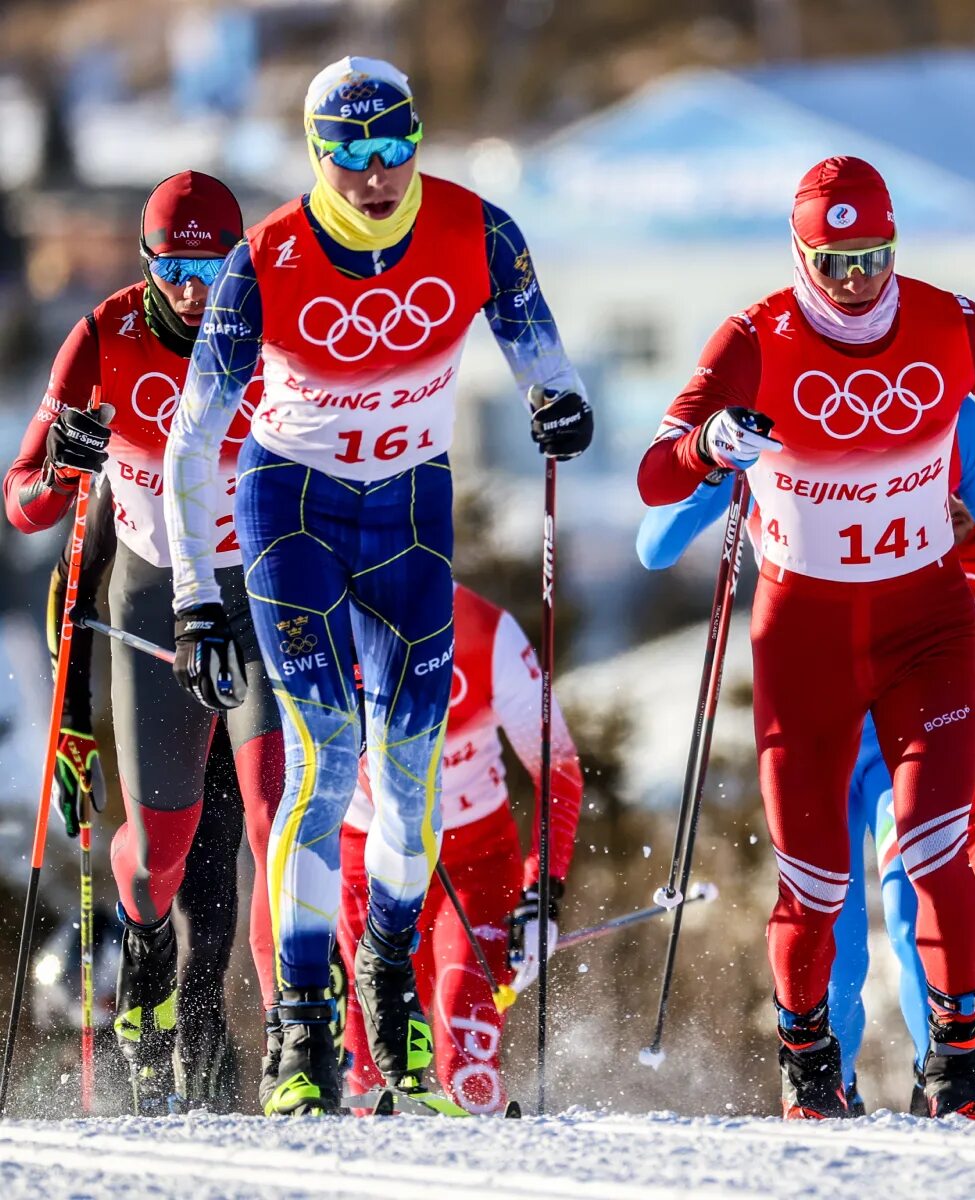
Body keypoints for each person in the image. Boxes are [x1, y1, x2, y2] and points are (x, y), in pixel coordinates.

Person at [637, 154, 975, 1120]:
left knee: (934, 853)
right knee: (816, 887)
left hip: (925, 628)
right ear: (800, 255)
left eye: (874, 258)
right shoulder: (753, 340)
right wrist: (710, 449)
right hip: (806, 639)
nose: (859, 282)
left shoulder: (950, 328)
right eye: (835, 264)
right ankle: (809, 1062)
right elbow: (656, 489)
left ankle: (954, 1065)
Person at [163, 56, 592, 1115]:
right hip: (291, 506)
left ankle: (387, 982)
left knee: (408, 775)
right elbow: (192, 439)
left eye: (394, 141)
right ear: (317, 154)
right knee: (327, 754)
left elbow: (543, 353)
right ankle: (303, 1029)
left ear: (416, 139)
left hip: (409, 510)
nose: (373, 170)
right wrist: (193, 594)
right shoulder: (262, 261)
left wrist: (562, 402)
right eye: (348, 150)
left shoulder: (479, 231)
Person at [636, 398, 975, 1115]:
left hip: (906, 719)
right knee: (836, 935)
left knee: (912, 906)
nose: (952, 510)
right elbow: (655, 546)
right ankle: (829, 1089)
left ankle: (947, 1083)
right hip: (820, 720)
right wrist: (716, 460)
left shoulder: (931, 409)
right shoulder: (788, 424)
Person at [5, 171, 278, 1112]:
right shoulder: (105, 336)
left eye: (215, 266)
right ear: (147, 262)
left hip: (260, 598)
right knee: (163, 849)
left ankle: (298, 1031)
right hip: (155, 598)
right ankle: (144, 952)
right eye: (175, 268)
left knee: (282, 819)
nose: (196, 290)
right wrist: (61, 460)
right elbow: (24, 500)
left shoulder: (277, 322)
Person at [335, 582, 584, 1114]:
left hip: (473, 860)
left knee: (462, 1063)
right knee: (373, 1073)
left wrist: (543, 892)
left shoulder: (487, 634)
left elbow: (559, 768)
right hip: (369, 857)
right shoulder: (336, 620)